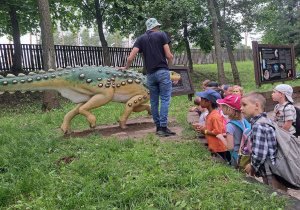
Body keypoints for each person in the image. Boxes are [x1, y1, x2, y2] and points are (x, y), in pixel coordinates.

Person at [120, 18, 175, 136]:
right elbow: (169, 55)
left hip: (150, 75)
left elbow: (130, 58)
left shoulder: (140, 39)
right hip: (162, 72)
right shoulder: (161, 35)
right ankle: (164, 127)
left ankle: (158, 128)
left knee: (154, 102)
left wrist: (126, 68)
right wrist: (168, 65)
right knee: (165, 99)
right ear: (156, 26)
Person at [240, 92, 287, 191]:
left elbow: (260, 154)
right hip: (277, 169)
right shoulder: (266, 120)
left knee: (276, 197)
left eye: (244, 105)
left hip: (270, 171)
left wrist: (252, 165)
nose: (241, 108)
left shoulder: (258, 126)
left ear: (257, 105)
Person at [195, 89, 228, 161]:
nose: (200, 102)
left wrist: (205, 131)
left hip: (219, 148)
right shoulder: (209, 114)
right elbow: (211, 128)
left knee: (222, 164)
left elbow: (217, 132)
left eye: (202, 100)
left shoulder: (215, 116)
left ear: (208, 102)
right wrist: (202, 128)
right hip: (213, 146)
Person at [215, 95, 246, 167]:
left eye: (223, 106)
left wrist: (221, 137)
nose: (221, 108)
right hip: (243, 153)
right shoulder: (242, 120)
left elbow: (230, 147)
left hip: (236, 155)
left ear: (229, 109)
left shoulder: (230, 125)